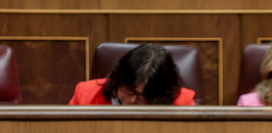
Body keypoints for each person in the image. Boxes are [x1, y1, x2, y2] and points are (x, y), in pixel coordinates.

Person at [68, 43, 196, 106]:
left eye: (143, 96)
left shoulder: (183, 103)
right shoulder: (86, 95)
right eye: (128, 91)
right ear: (118, 80)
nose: (132, 100)